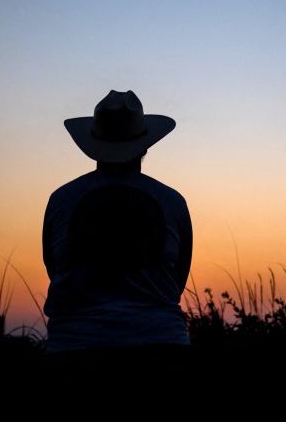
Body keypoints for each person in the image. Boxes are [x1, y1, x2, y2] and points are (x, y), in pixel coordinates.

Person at [41, 90, 192, 392]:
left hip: (75, 347)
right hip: (160, 345)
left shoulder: (61, 200)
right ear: (144, 147)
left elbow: (53, 266)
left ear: (94, 145)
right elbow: (178, 281)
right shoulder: (172, 201)